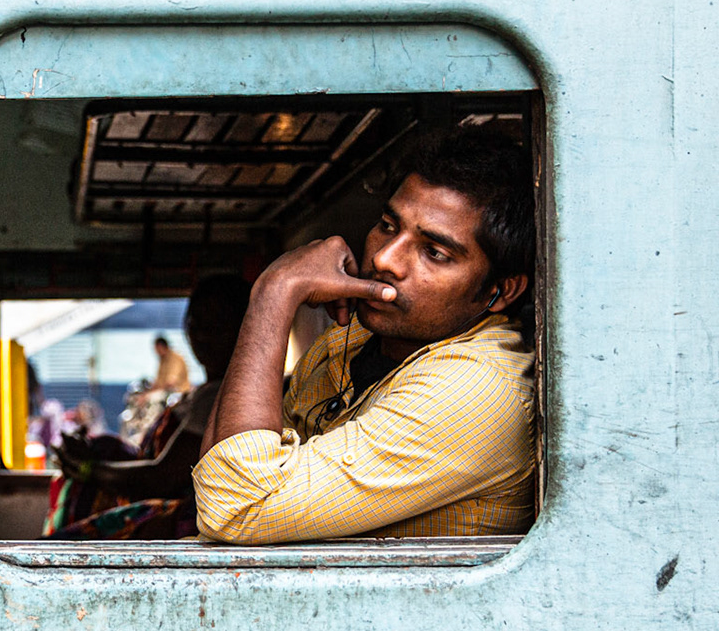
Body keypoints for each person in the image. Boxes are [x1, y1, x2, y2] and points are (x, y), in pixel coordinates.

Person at [193, 131, 537, 543]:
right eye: (388, 226)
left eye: (434, 252)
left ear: (502, 290)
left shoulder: (476, 389)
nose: (383, 258)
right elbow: (222, 468)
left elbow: (233, 509)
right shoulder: (348, 340)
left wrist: (274, 291)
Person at [45, 274, 253, 539]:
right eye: (195, 323)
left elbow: (164, 479)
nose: (201, 335)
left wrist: (90, 469)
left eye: (216, 325)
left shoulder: (219, 398)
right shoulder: (200, 393)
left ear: (243, 329)